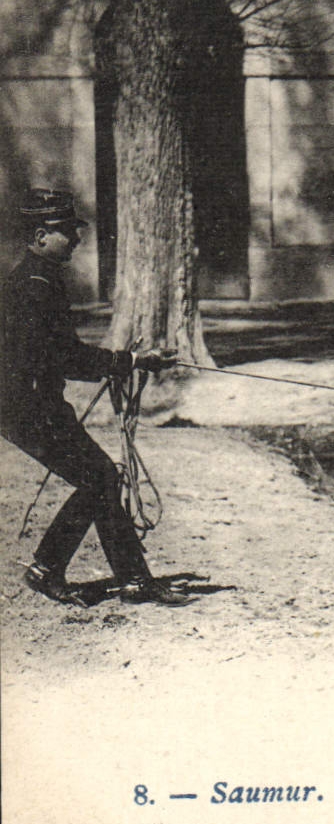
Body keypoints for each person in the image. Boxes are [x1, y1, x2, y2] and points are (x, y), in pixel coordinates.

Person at [1, 188, 193, 606]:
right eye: (66, 230)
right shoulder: (34, 286)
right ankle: (52, 569)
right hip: (28, 409)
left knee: (101, 478)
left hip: (33, 405)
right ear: (39, 236)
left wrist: (127, 362)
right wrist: (133, 360)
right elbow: (65, 357)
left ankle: (130, 580)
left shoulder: (39, 279)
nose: (76, 238)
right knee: (101, 477)